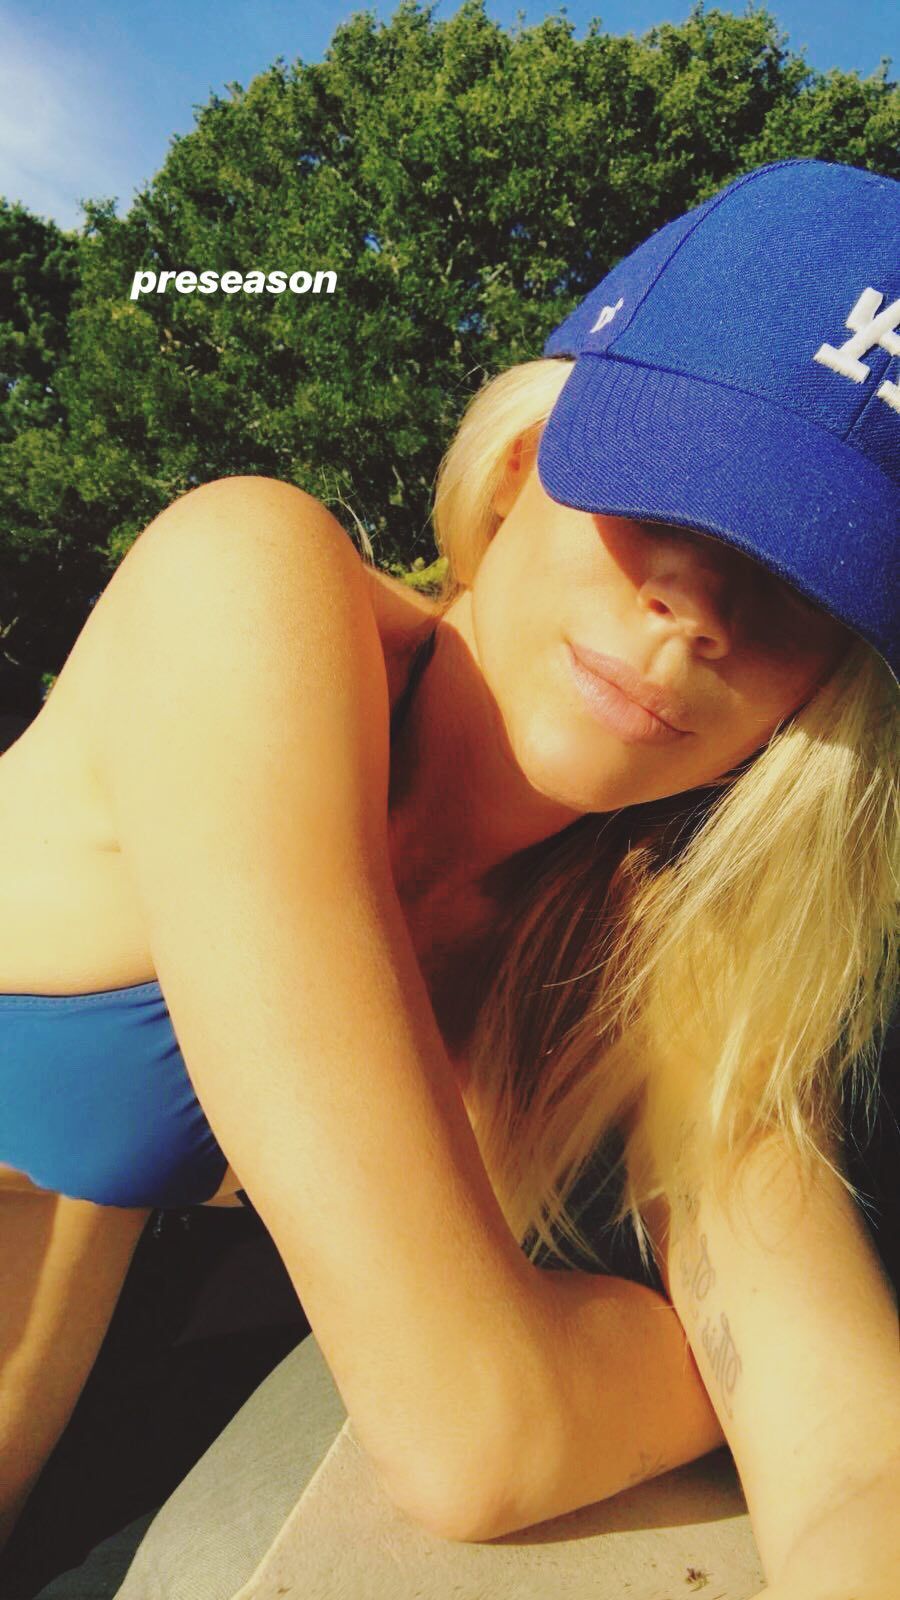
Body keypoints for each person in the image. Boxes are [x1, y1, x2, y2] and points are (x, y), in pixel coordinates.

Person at [0, 155, 897, 1598]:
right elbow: (475, 1432)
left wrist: (792, 1418)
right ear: (522, 461)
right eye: (677, 497)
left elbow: (859, 1461)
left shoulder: (662, 956)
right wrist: (705, 1372)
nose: (698, 613)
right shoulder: (244, 584)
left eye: (808, 576)